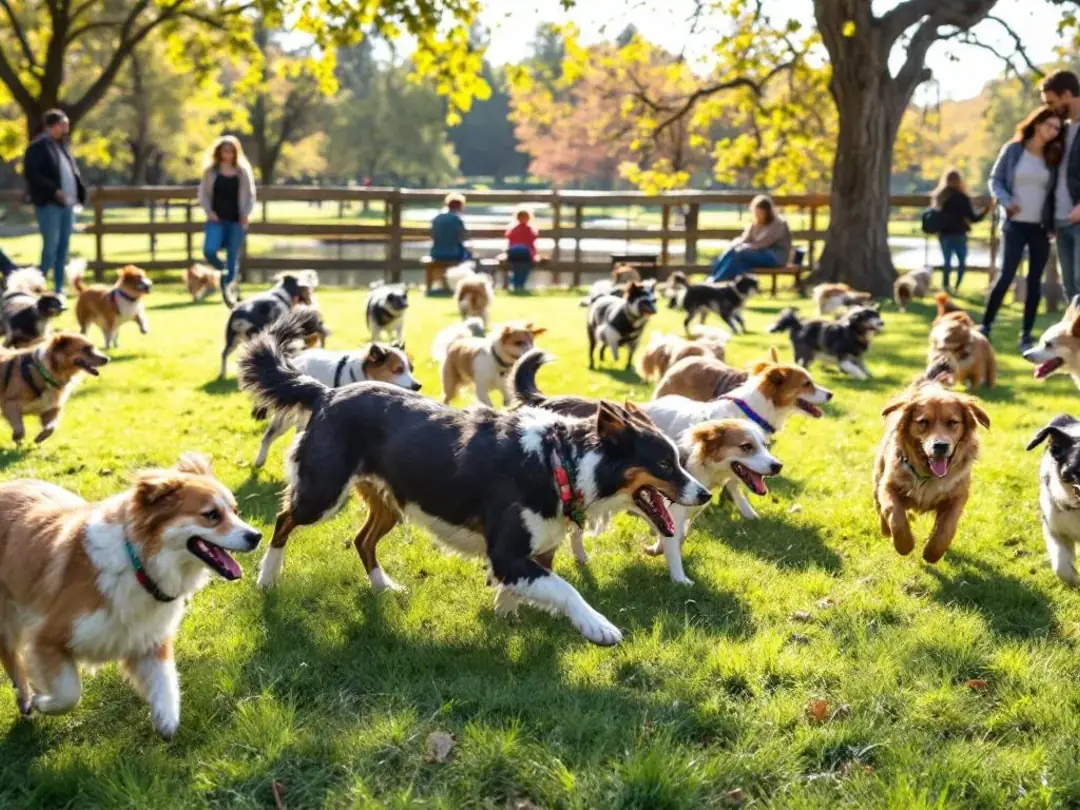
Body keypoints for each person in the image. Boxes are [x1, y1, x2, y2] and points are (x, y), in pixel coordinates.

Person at [983, 105, 1064, 350]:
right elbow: (994, 180)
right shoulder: (1013, 150)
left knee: (1034, 280)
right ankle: (985, 325)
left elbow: (1055, 193)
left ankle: (1026, 335)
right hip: (1014, 225)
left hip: (1040, 228)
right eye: (1049, 125)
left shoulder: (1053, 157)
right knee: (1006, 274)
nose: (1053, 131)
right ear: (1037, 123)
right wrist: (1006, 202)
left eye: (1057, 128)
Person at [23, 109, 86, 293]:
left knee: (63, 249)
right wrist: (53, 190)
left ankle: (59, 290)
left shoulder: (62, 146)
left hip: (67, 205)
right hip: (49, 205)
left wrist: (80, 194)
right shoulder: (37, 147)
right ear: (53, 125)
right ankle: (37, 287)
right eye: (63, 123)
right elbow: (32, 174)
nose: (67, 127)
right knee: (50, 248)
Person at [198, 135, 256, 303]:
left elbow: (250, 195)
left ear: (235, 152)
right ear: (219, 151)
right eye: (225, 150)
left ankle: (229, 293)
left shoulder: (242, 171)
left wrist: (246, 214)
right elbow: (203, 194)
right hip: (216, 219)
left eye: (231, 150)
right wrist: (209, 212)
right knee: (209, 250)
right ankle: (223, 271)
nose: (228, 153)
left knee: (233, 256)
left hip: (236, 221)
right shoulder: (211, 171)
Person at [1040, 70, 1080, 301]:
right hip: (1060, 221)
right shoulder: (1059, 130)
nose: (1050, 108)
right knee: (1070, 289)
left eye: (1052, 102)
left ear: (1067, 94)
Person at [930, 168, 989, 292]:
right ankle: (957, 287)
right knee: (962, 262)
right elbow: (973, 218)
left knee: (947, 262)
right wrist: (986, 210)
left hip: (944, 233)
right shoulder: (963, 198)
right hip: (959, 234)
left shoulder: (940, 197)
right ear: (960, 181)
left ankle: (946, 286)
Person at [709, 195, 791, 282]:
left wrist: (744, 247)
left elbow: (763, 243)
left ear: (768, 212)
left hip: (775, 257)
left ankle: (717, 282)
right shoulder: (756, 223)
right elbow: (745, 239)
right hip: (756, 253)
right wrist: (735, 244)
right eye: (756, 213)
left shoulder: (778, 223)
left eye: (760, 213)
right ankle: (712, 279)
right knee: (733, 253)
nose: (758, 216)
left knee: (740, 253)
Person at [505, 206, 538, 292]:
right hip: (524, 253)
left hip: (514, 253)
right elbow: (531, 244)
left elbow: (510, 243)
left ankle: (516, 285)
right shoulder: (530, 230)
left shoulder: (513, 229)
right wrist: (534, 255)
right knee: (525, 267)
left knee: (516, 268)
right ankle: (520, 286)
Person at [430, 193, 470, 263]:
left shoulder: (437, 218)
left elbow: (433, 235)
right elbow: (464, 236)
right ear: (459, 206)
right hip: (454, 254)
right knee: (469, 256)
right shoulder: (457, 219)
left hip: (435, 254)